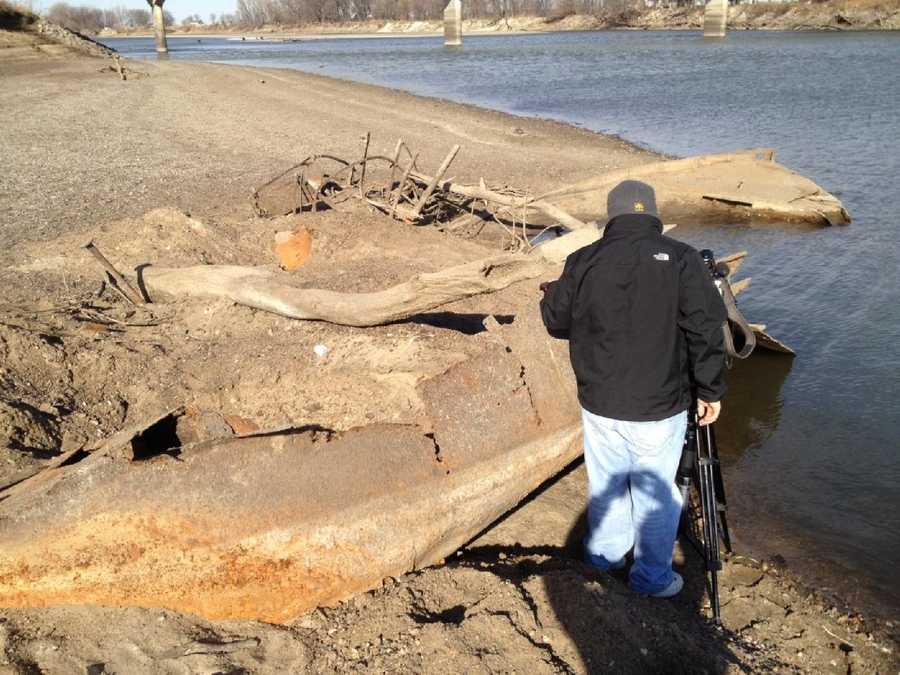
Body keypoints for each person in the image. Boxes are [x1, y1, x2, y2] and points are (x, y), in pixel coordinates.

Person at [539, 180, 727, 598]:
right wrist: (710, 391)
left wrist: (550, 295)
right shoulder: (681, 258)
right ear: (653, 215)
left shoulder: (582, 258)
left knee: (608, 484)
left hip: (600, 401)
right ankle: (651, 578)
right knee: (656, 494)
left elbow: (555, 321)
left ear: (613, 217)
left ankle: (603, 563)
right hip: (660, 407)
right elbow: (706, 329)